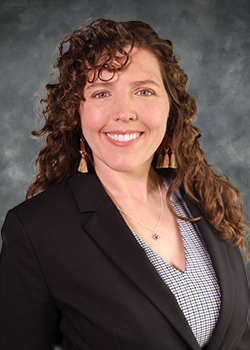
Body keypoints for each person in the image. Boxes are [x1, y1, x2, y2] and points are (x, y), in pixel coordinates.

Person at [0, 18, 249, 350]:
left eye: (143, 91)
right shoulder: (35, 230)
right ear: (77, 111)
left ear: (170, 108)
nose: (124, 112)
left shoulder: (205, 198)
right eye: (102, 93)